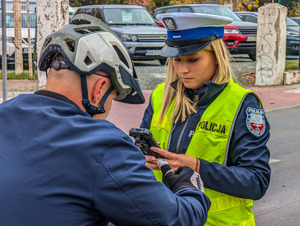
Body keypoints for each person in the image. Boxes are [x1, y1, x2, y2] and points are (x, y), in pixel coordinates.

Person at [0, 14, 211, 226]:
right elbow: (176, 221)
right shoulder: (101, 144)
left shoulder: (5, 113)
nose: (109, 108)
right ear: (99, 89)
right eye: (112, 98)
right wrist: (190, 188)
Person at [140, 12, 271, 226]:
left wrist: (196, 166)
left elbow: (256, 182)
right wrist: (141, 160)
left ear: (216, 55)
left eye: (193, 59)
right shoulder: (160, 95)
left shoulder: (242, 103)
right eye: (176, 60)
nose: (182, 69)